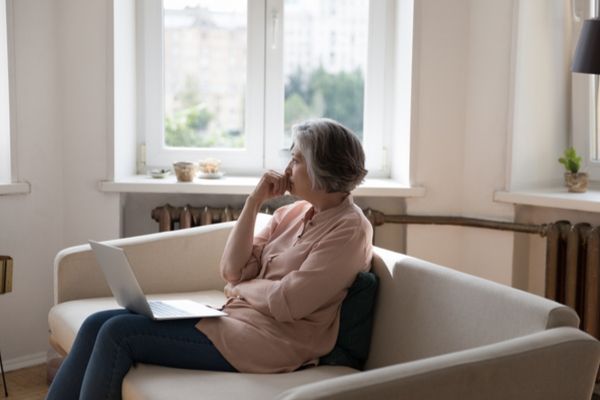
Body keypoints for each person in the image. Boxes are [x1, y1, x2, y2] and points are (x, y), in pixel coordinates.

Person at [46, 118, 373, 400]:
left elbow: (288, 303)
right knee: (96, 323)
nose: (287, 169)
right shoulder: (292, 214)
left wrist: (242, 290)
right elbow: (231, 270)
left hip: (273, 343)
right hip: (233, 321)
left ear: (323, 169)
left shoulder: (350, 229)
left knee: (119, 333)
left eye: (297, 160)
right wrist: (254, 202)